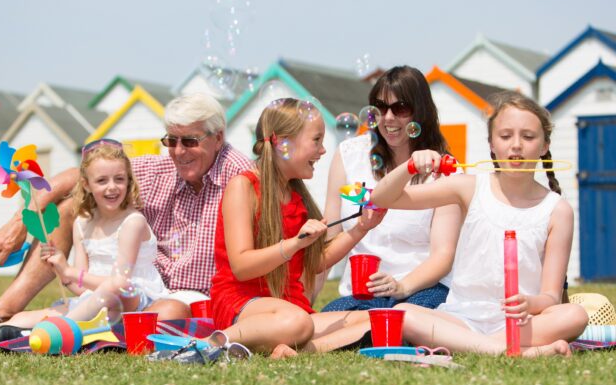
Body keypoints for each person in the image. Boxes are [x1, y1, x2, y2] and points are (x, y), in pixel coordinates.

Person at [0, 93, 252, 323]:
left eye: (190, 141)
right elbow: (84, 174)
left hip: (195, 299)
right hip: (136, 292)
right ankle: (4, 311)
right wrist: (20, 222)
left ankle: (81, 323)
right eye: (171, 141)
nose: (179, 151)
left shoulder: (242, 177)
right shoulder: (160, 169)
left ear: (218, 138)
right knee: (71, 205)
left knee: (167, 312)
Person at [371, 91, 588, 357]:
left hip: (520, 322)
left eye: (528, 137)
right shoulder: (469, 187)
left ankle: (487, 346)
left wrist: (530, 303)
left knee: (575, 314)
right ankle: (509, 351)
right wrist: (410, 167)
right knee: (403, 314)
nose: (516, 145)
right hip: (462, 317)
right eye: (505, 136)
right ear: (492, 144)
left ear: (544, 146)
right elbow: (382, 198)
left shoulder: (557, 210)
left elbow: (551, 297)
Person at [209, 98, 385, 357]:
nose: (323, 150)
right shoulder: (243, 187)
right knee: (298, 322)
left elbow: (314, 263)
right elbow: (241, 266)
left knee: (372, 319)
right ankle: (209, 344)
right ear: (283, 143)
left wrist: (360, 228)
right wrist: (294, 244)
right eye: (316, 140)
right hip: (243, 304)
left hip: (290, 308)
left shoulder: (296, 196)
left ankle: (291, 351)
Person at [0, 140, 168, 338]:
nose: (112, 187)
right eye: (102, 181)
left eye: (119, 179)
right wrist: (62, 271)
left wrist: (70, 271)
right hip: (95, 303)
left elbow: (120, 281)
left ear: (129, 180)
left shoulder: (132, 222)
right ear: (86, 184)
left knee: (115, 285)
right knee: (21, 317)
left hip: (134, 300)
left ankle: (59, 331)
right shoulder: (82, 224)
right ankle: (18, 332)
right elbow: (81, 288)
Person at [321, 66, 462, 312]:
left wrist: (402, 286)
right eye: (380, 107)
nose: (388, 117)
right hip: (363, 293)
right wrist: (305, 306)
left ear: (421, 112)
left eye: (401, 108)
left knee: (407, 317)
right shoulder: (349, 155)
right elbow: (329, 242)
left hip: (422, 289)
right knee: (331, 315)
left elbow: (443, 256)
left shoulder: (444, 170)